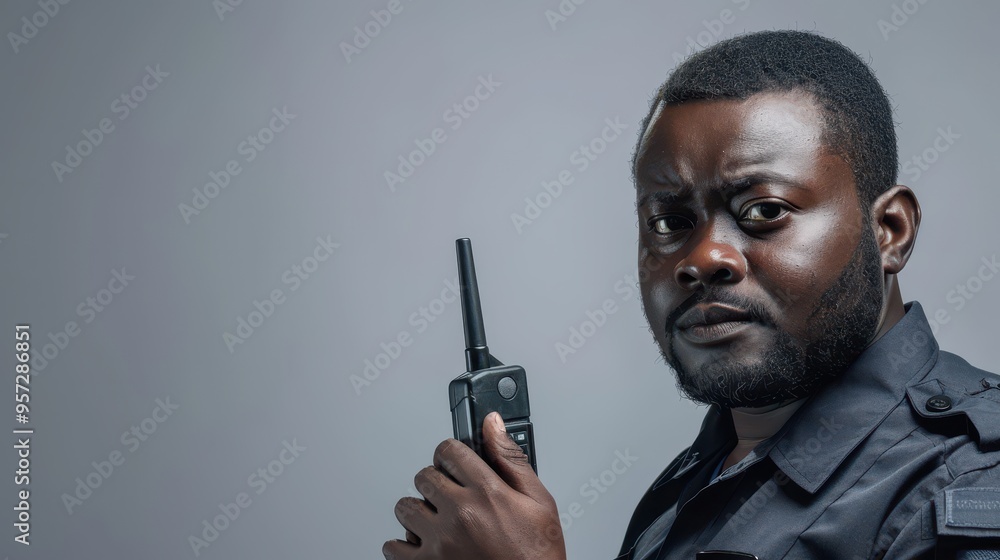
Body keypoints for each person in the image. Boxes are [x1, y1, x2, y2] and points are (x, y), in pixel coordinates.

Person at [382, 30, 1000, 560]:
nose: (703, 258)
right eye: (669, 222)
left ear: (890, 231)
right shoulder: (700, 473)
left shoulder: (971, 481)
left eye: (763, 210)